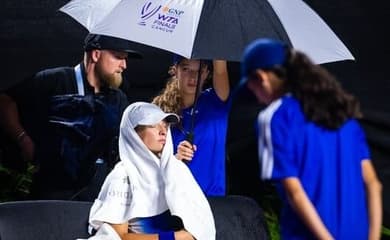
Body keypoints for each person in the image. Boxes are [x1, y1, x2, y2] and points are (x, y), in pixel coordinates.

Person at [240, 38, 382, 239]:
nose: (256, 98)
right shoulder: (343, 115)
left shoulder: (274, 118)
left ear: (261, 77)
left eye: (251, 89)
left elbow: (294, 192)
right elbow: (373, 184)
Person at [0, 33, 142, 200]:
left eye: (125, 59)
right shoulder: (54, 80)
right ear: (96, 55)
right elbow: (4, 101)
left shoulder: (118, 98)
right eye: (118, 57)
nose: (124, 65)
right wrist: (23, 139)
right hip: (51, 188)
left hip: (97, 190)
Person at [86, 102, 215, 240]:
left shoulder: (177, 170)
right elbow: (118, 237)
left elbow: (200, 226)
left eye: (165, 125)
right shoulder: (123, 175)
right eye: (153, 125)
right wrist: (173, 238)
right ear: (133, 133)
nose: (163, 131)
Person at [152, 56, 230, 196]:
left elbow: (220, 70)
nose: (193, 76)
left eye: (199, 70)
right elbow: (148, 168)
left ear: (206, 73)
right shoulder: (159, 113)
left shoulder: (216, 101)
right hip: (174, 201)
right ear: (175, 70)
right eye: (186, 69)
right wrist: (176, 158)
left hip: (211, 202)